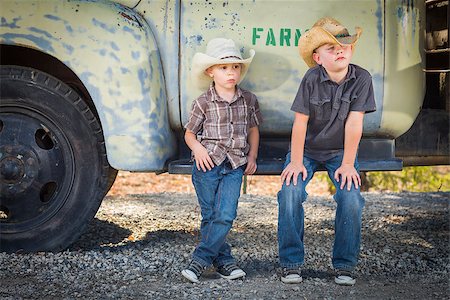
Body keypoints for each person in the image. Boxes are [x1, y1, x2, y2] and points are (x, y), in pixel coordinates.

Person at [277, 17, 376, 286]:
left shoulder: (362, 78)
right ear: (318, 58)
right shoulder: (311, 78)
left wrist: (348, 164)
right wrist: (296, 161)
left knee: (351, 197)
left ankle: (345, 265)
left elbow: (355, 123)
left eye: (343, 45)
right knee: (290, 191)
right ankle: (291, 263)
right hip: (306, 150)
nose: (339, 50)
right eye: (330, 48)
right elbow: (300, 123)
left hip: (339, 152)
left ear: (351, 50)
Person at [181, 38, 263, 283]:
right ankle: (225, 262)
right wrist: (198, 150)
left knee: (225, 214)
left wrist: (253, 156)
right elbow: (189, 133)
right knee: (210, 216)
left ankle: (199, 261)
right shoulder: (202, 103)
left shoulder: (248, 99)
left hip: (235, 165)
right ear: (210, 71)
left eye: (236, 67)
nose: (231, 72)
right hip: (207, 165)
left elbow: (253, 130)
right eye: (224, 67)